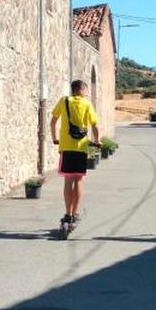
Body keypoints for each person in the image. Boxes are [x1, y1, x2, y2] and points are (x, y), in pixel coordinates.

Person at [49, 79, 101, 232]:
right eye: (85, 90)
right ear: (81, 90)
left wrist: (54, 139)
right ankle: (75, 213)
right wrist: (97, 141)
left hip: (66, 147)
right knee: (78, 180)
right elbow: (95, 125)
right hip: (81, 147)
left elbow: (53, 121)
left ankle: (67, 213)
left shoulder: (63, 101)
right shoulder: (87, 104)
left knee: (67, 181)